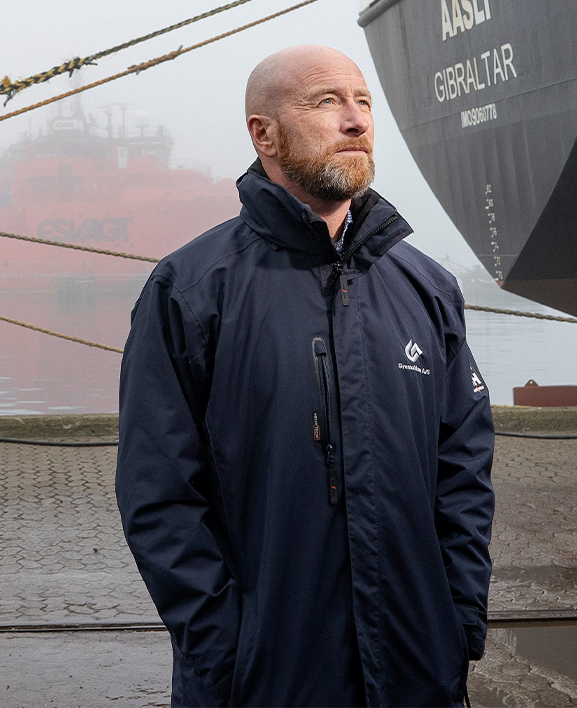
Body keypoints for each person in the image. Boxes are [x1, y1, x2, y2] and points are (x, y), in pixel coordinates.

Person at [116, 44, 495, 707]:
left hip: (420, 671)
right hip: (263, 681)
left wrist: (458, 620)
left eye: (363, 102)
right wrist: (225, 653)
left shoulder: (428, 289)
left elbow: (464, 469)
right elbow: (159, 493)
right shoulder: (192, 292)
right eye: (327, 102)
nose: (356, 120)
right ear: (264, 134)